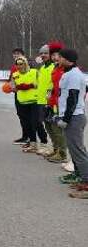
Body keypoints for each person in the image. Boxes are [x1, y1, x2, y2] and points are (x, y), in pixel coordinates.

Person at [55, 49, 88, 197]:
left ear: (68, 60)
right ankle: (79, 175)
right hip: (70, 116)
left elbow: (73, 98)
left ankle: (87, 182)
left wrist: (66, 119)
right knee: (75, 149)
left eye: (60, 57)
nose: (58, 59)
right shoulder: (68, 73)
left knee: (78, 151)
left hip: (74, 117)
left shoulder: (74, 75)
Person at [44, 41, 68, 164]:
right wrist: (48, 100)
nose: (54, 57)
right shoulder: (55, 67)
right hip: (52, 101)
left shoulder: (65, 69)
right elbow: (52, 86)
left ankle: (63, 153)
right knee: (50, 126)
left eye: (56, 55)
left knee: (57, 128)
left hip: (61, 103)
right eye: (52, 55)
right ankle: (56, 149)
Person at [11, 57, 39, 153]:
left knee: (34, 122)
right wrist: (12, 87)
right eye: (17, 64)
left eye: (21, 63)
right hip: (22, 102)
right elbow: (13, 87)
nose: (19, 66)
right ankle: (31, 142)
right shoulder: (15, 75)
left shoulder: (34, 72)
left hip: (34, 101)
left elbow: (37, 84)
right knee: (26, 123)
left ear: (25, 63)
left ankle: (37, 142)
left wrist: (24, 86)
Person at [35, 44, 55, 156]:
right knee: (45, 125)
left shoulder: (54, 67)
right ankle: (48, 146)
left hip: (49, 101)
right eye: (41, 53)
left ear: (51, 54)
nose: (43, 55)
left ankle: (55, 148)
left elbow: (53, 84)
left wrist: (49, 95)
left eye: (46, 53)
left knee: (52, 126)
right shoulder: (42, 68)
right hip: (40, 100)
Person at [10, 48, 29, 144]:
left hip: (28, 94)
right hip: (18, 94)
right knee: (21, 115)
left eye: (18, 54)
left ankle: (30, 137)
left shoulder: (28, 65)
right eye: (14, 54)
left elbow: (31, 79)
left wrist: (19, 86)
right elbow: (11, 80)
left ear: (23, 55)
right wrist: (10, 86)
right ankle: (25, 136)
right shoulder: (14, 67)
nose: (16, 55)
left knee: (27, 116)